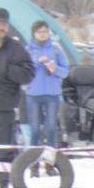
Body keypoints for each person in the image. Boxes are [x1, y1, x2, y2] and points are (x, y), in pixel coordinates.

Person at [0, 7, 34, 188]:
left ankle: (3, 187)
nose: (1, 27)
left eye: (4, 23)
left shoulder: (15, 48)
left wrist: (8, 70)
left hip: (3, 110)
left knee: (3, 150)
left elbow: (28, 74)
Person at [25, 19, 69, 148]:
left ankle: (50, 159)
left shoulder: (55, 50)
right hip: (33, 94)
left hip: (52, 94)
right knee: (35, 130)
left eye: (45, 31)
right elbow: (24, 71)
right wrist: (37, 61)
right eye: (39, 32)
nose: (43, 34)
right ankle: (33, 159)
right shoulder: (28, 50)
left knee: (51, 129)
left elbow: (65, 72)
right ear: (33, 33)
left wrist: (55, 68)